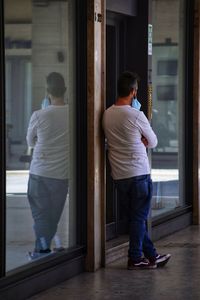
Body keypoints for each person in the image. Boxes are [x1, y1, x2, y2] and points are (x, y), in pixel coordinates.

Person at [102, 71, 171, 270]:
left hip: (119, 175)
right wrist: (141, 140)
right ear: (133, 92)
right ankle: (135, 258)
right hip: (138, 174)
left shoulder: (107, 113)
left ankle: (152, 255)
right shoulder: (136, 114)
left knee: (135, 219)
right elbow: (154, 141)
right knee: (139, 218)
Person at [26, 72, 69, 260]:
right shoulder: (73, 114)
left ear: (47, 92)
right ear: (65, 90)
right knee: (52, 217)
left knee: (41, 216)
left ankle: (41, 252)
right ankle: (41, 250)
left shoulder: (39, 114)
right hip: (61, 176)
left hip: (39, 173)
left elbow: (30, 141)